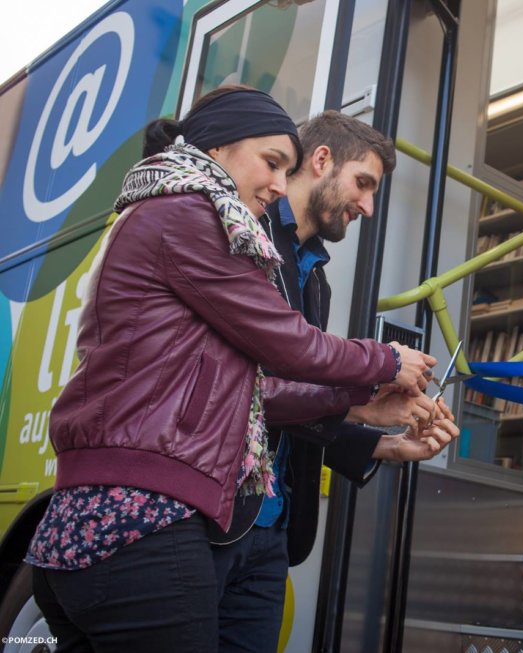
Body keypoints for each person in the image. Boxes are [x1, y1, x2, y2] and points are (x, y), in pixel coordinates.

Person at [24, 86, 436, 653]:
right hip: (151, 515)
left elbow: (247, 389)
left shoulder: (221, 227)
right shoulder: (204, 218)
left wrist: (363, 414)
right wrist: (386, 359)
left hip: (189, 515)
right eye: (271, 164)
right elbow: (288, 348)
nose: (275, 184)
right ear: (217, 149)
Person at [210, 110, 460, 653]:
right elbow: (245, 391)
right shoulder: (242, 235)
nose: (368, 207)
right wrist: (373, 386)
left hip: (271, 531)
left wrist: (387, 446)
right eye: (363, 184)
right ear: (321, 160)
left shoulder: (315, 279)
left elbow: (296, 400)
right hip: (208, 518)